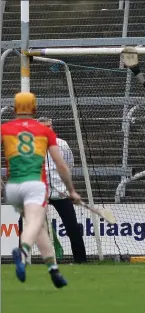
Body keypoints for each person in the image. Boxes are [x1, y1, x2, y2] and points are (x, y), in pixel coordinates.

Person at [1, 92, 81, 288]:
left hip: (15, 186)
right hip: (35, 185)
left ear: (15, 109)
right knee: (35, 223)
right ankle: (23, 252)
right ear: (34, 109)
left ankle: (53, 269)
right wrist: (72, 190)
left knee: (39, 227)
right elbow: (62, 165)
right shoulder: (44, 133)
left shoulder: (6, 128)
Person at [37, 117, 87, 264]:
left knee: (72, 226)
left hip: (60, 193)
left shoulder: (61, 145)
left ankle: (81, 261)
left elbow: (69, 164)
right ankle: (22, 260)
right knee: (24, 222)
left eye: (50, 126)